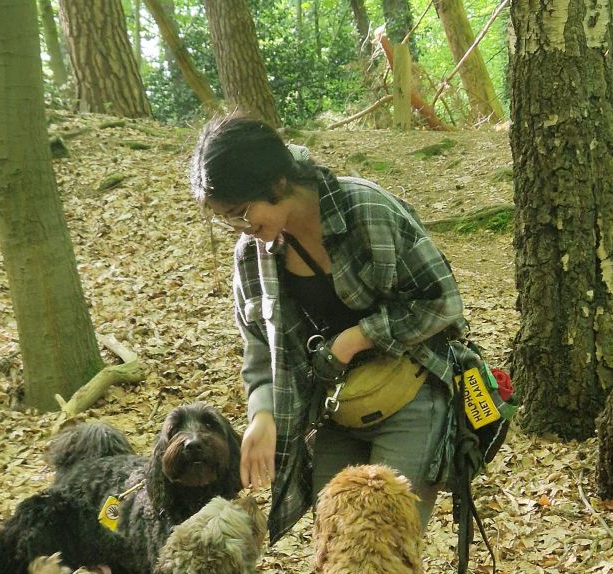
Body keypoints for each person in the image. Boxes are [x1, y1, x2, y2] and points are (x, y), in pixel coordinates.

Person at [190, 114, 468, 545]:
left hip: (413, 396)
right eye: (228, 219)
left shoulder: (366, 210)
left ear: (278, 183)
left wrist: (354, 339)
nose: (241, 229)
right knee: (334, 548)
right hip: (337, 412)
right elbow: (259, 347)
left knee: (383, 550)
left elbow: (442, 301)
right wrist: (262, 414)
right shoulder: (253, 254)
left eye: (243, 212)